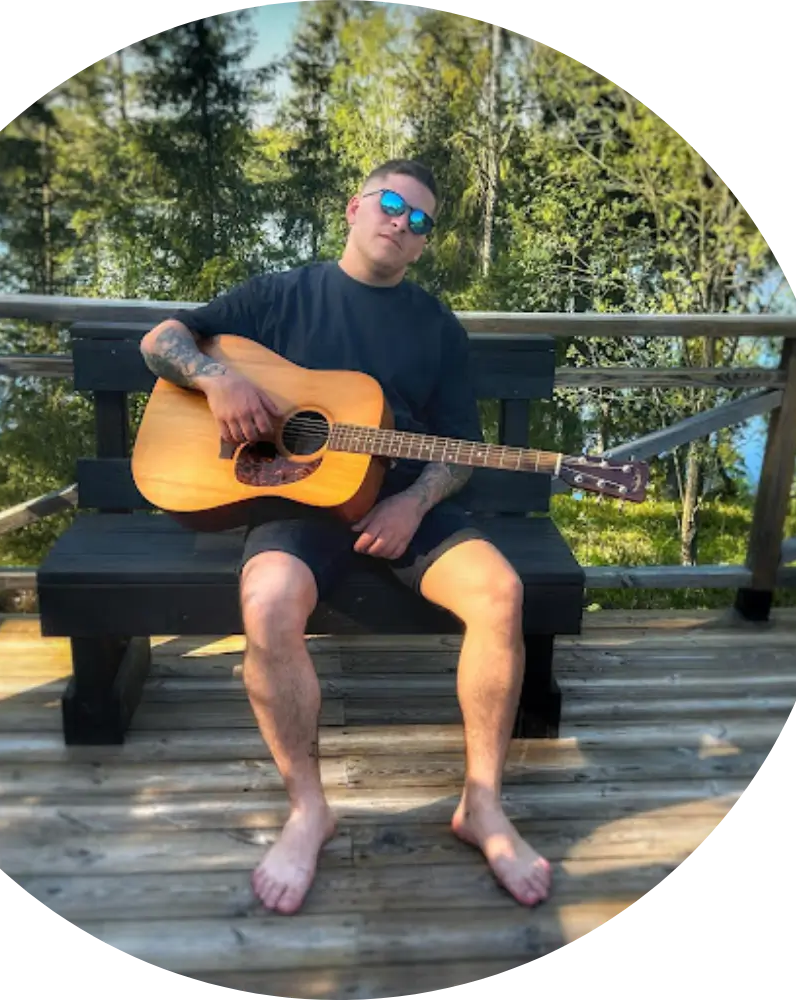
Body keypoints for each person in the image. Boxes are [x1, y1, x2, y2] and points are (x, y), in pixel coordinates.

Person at [139, 159, 552, 916]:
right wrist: (217, 379)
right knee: (267, 604)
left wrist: (415, 503)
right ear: (354, 208)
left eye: (420, 220)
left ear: (423, 243)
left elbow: (462, 447)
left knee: (501, 592)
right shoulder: (278, 295)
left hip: (403, 498)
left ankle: (483, 805)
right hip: (295, 500)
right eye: (392, 204)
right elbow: (161, 340)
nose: (402, 222)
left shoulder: (436, 327)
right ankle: (308, 809)